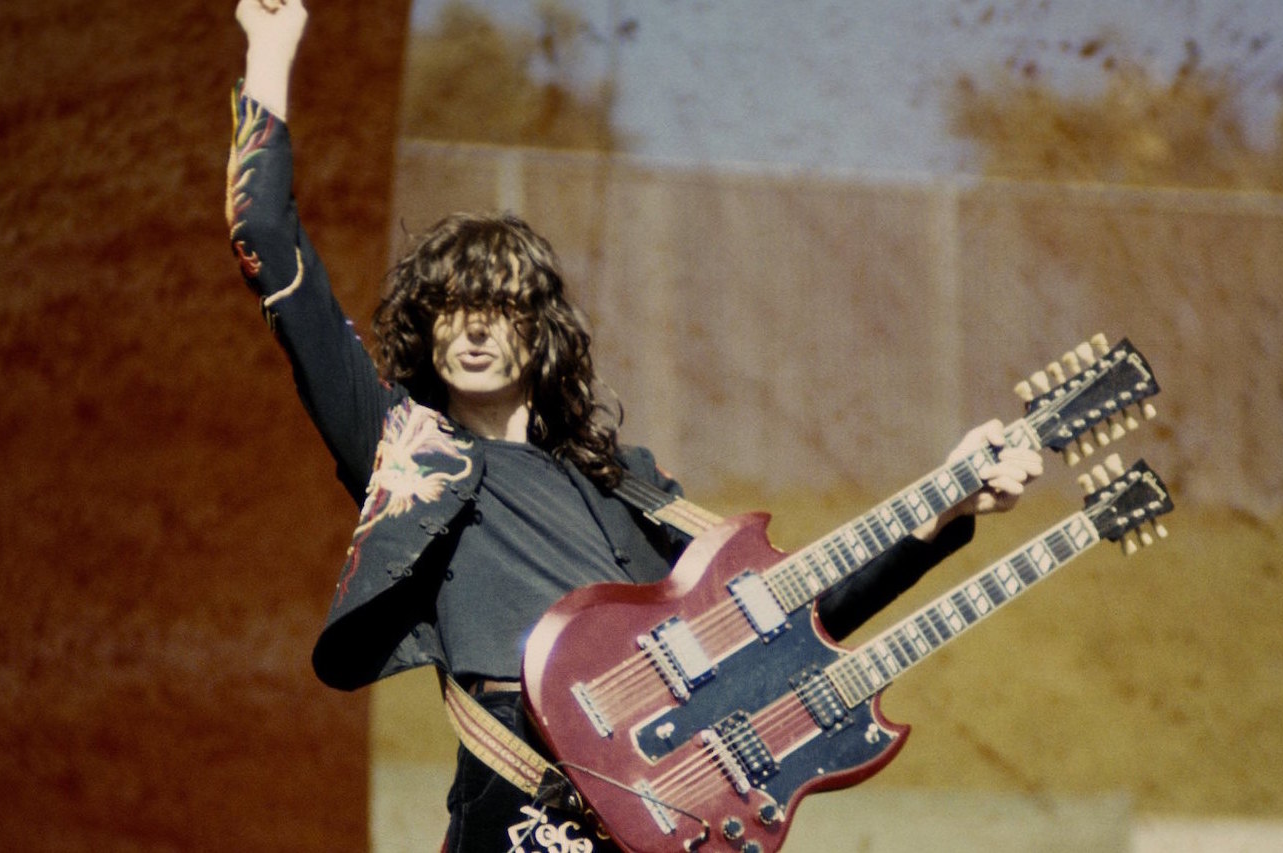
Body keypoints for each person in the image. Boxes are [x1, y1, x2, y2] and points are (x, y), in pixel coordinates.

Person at [227, 1, 1044, 850]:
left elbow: (790, 623)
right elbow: (264, 235)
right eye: (452, 308)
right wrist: (273, 47)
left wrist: (947, 511)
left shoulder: (621, 484)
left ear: (539, 331)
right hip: (518, 812)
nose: (473, 327)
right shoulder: (404, 450)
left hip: (658, 816)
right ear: (427, 330)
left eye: (499, 307)